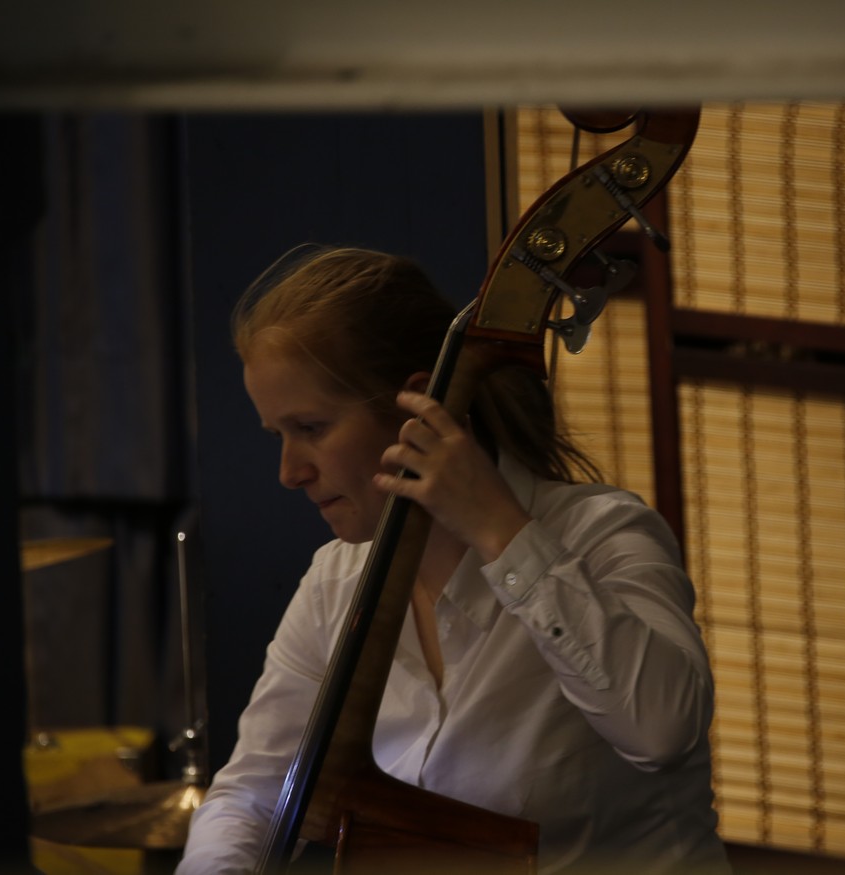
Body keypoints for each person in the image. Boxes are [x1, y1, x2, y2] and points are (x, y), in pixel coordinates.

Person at [177, 246, 730, 874]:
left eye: (311, 428)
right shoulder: (336, 583)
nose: (289, 472)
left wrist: (500, 531)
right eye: (279, 435)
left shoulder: (602, 534)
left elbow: (662, 731)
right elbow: (251, 794)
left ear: (416, 409)